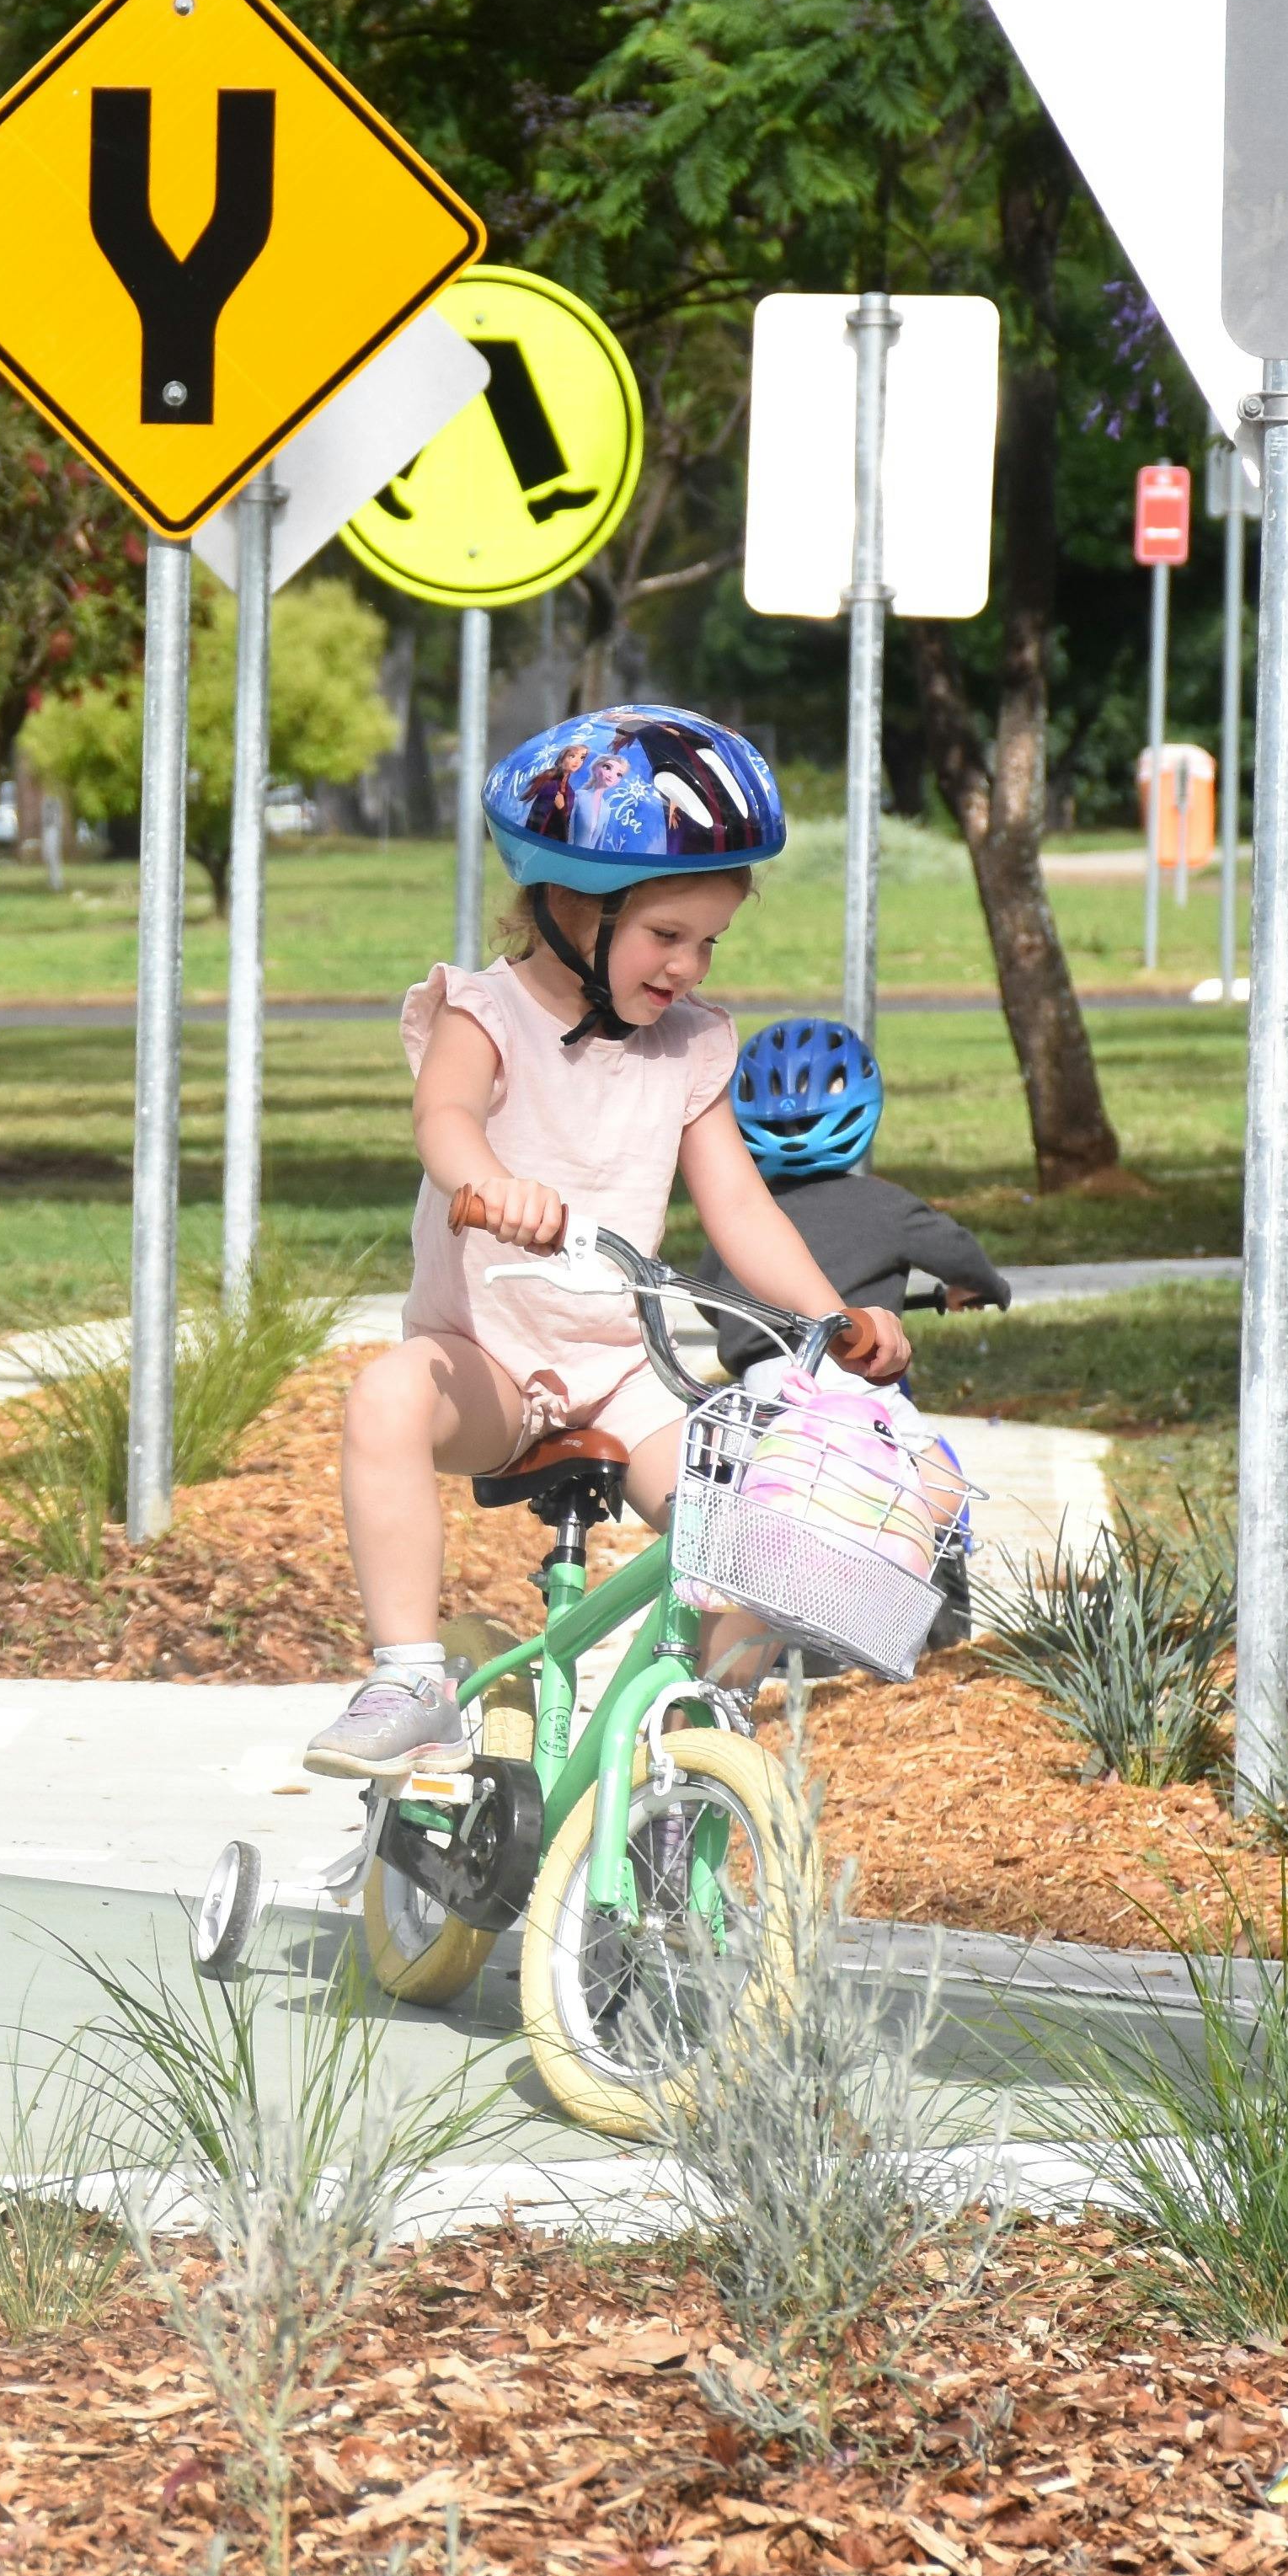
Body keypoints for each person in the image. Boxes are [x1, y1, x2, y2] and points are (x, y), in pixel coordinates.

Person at [310, 705, 911, 1784]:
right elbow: (442, 1117)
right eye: (665, 936)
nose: (688, 965)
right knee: (385, 1397)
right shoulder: (484, 1012)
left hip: (624, 1377)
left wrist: (832, 1320)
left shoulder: (689, 1048)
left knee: (750, 1544)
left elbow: (740, 1208)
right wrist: (488, 1182)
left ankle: (671, 1750)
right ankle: (410, 1680)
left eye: (709, 941)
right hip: (488, 1365)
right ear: (571, 909)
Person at [687, 1016, 1013, 1371]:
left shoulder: (746, 1214)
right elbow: (958, 1253)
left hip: (760, 1384)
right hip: (855, 1375)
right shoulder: (887, 1207)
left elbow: (708, 1297)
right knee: (910, 1430)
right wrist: (988, 1286)